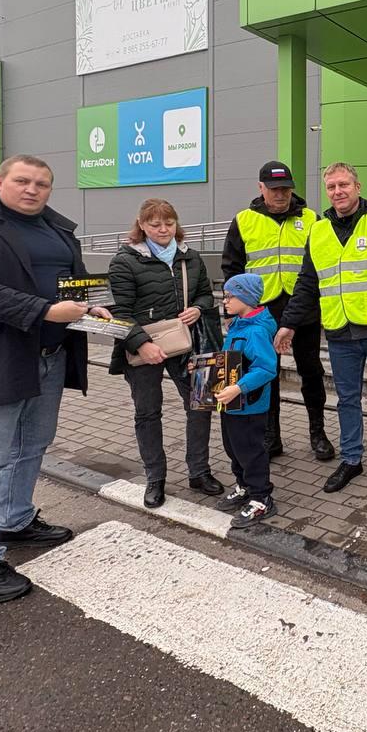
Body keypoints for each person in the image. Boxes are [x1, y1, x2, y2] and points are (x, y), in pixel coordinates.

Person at [0, 155, 110, 603]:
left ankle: (16, 519)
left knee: (33, 445)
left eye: (43, 184)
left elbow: (70, 282)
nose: (33, 189)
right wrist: (44, 311)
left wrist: (89, 306)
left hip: (50, 356)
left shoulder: (57, 229)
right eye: (23, 181)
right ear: (0, 181)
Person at [276, 162, 367, 497]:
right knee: (346, 400)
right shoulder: (318, 230)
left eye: (344, 185)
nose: (338, 192)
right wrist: (288, 324)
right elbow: (307, 284)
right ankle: (352, 458)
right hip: (340, 332)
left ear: (357, 186)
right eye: (331, 187)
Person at [107, 198, 224, 509]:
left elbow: (204, 293)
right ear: (142, 225)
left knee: (200, 404)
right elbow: (119, 311)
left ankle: (199, 472)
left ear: (177, 224)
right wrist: (142, 343)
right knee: (148, 412)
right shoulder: (125, 261)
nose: (163, 229)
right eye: (155, 224)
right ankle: (155, 479)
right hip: (143, 345)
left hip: (188, 342)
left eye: (168, 223)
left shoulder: (191, 257)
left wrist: (199, 308)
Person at [221, 160, 334, 463]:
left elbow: (325, 261)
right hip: (261, 312)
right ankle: (271, 436)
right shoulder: (244, 220)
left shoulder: (312, 219)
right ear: (261, 188)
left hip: (303, 307)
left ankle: (318, 433)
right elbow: (231, 268)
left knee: (311, 371)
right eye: (274, 189)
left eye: (285, 188)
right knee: (264, 373)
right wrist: (231, 310)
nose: (281, 194)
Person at [213, 274, 282, 529]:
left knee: (251, 451)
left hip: (249, 405)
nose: (225, 301)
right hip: (231, 403)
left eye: (230, 296)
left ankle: (261, 496)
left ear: (247, 298)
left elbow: (266, 369)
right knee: (233, 448)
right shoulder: (239, 325)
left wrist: (238, 388)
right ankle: (243, 485)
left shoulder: (256, 331)